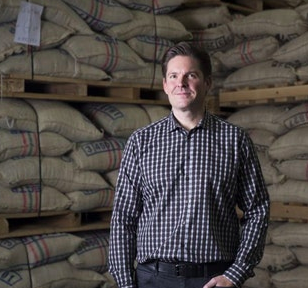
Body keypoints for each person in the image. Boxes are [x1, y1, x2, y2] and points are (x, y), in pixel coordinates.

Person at [108, 41, 270, 288]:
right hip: (153, 278)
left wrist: (236, 273)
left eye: (190, 75)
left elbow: (257, 208)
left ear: (207, 83)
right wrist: (125, 283)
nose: (180, 83)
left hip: (213, 279)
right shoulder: (141, 142)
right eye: (173, 76)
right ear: (165, 84)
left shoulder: (234, 140)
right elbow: (124, 217)